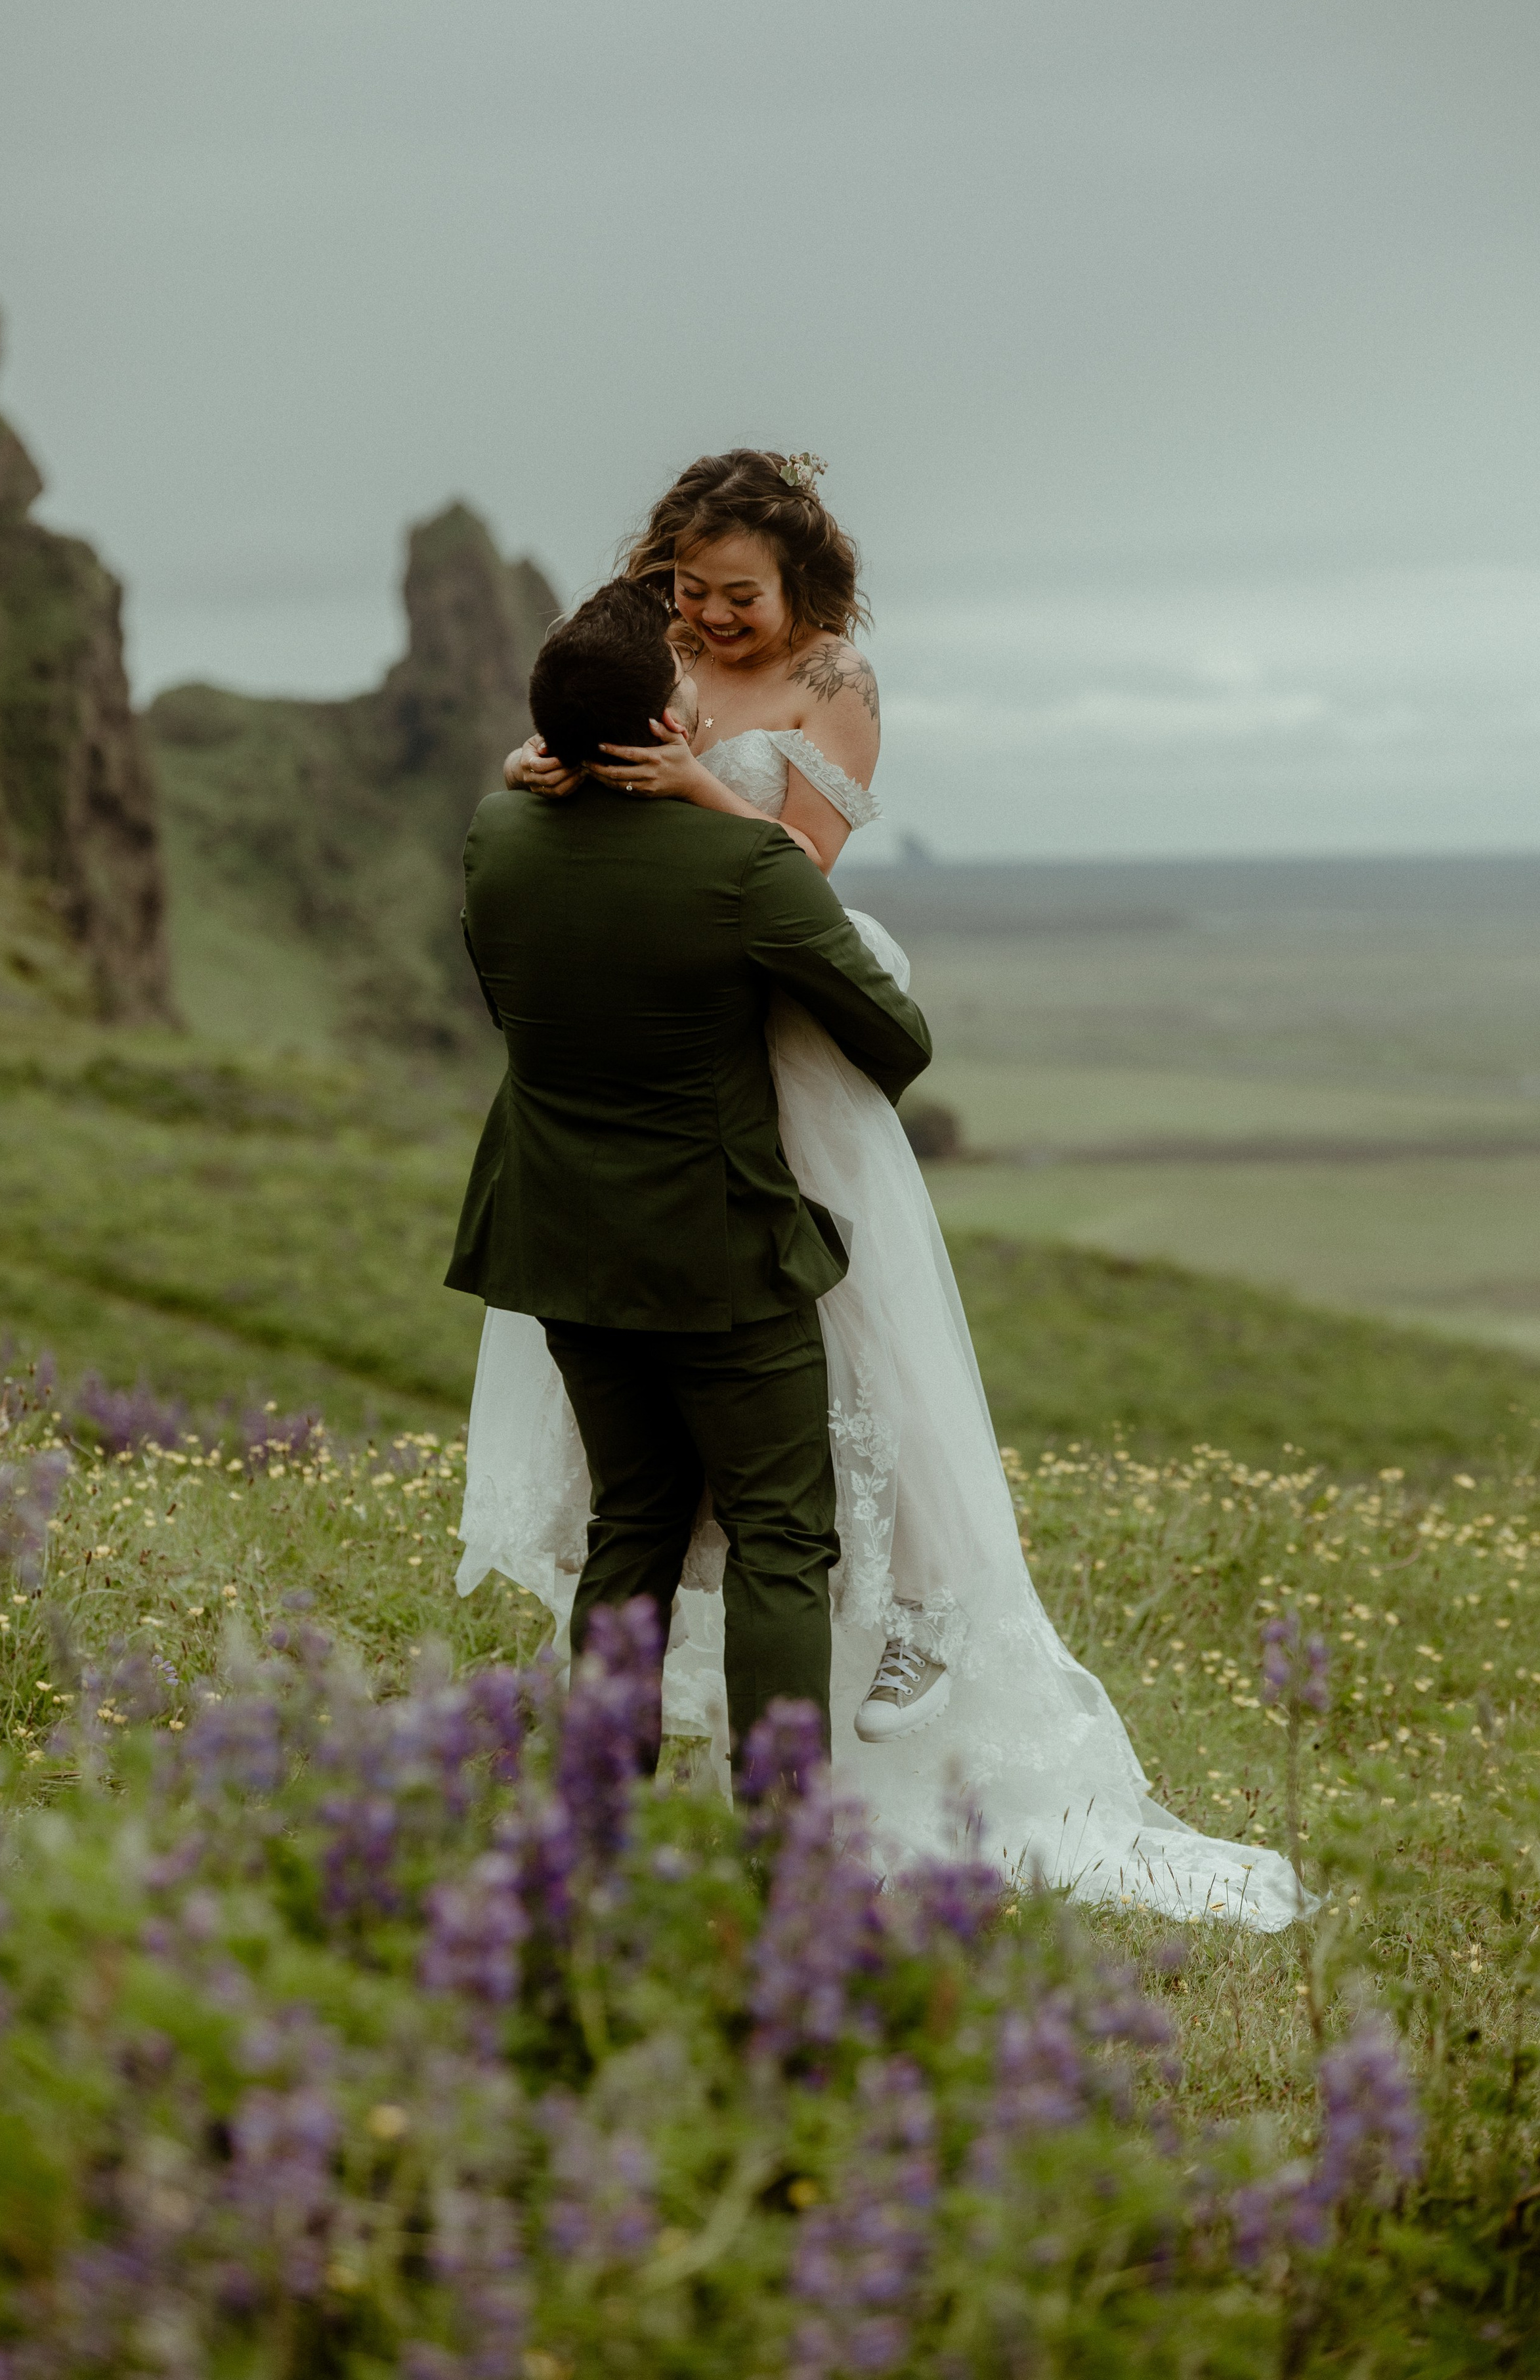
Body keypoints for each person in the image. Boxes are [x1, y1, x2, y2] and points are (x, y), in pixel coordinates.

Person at [460, 450, 1308, 1930]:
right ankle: (773, 1834)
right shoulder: (627, 690)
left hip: (759, 1031)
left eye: (740, 599)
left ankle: (895, 1625)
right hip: (696, 1067)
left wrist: (673, 804)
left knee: (849, 1373)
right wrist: (574, 768)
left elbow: (807, 874)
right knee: (725, 1488)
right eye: (691, 594)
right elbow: (635, 798)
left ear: (802, 594)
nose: (712, 622)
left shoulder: (831, 687)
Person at [445, 573, 933, 1763]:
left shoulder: (497, 834)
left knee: (634, 1517)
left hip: (559, 1239)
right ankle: (781, 1848)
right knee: (779, 1536)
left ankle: (597, 1808)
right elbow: (895, 1041)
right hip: (720, 1254)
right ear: (666, 724)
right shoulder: (743, 869)